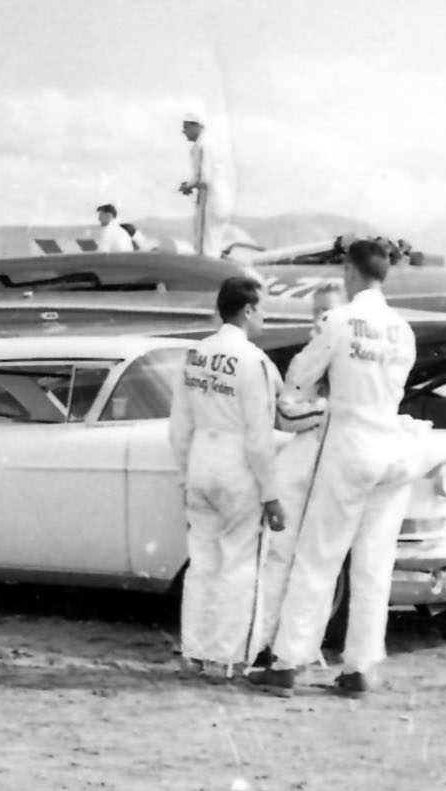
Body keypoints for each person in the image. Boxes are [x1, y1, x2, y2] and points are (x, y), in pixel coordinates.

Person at [249, 239, 418, 699]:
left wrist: (320, 382)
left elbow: (301, 375)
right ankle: (361, 667)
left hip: (351, 447)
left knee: (318, 557)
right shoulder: (404, 329)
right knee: (374, 568)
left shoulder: (339, 321)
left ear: (350, 270)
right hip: (394, 449)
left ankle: (288, 662)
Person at [168, 276, 286, 680]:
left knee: (202, 563)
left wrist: (186, 473)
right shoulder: (254, 362)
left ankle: (195, 651)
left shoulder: (195, 355)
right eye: (263, 308)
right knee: (238, 563)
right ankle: (228, 656)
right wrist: (270, 493)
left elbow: (178, 426)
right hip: (237, 466)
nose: (265, 316)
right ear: (248, 310)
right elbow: (259, 437)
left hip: (201, 457)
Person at [252, 282, 346, 666]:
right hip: (308, 458)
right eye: (314, 311)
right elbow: (288, 412)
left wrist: (321, 412)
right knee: (282, 557)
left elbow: (290, 410)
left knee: (310, 562)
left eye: (326, 310)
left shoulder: (331, 348)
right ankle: (268, 644)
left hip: (324, 459)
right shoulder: (315, 350)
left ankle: (293, 647)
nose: (318, 319)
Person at [177, 112, 233, 258]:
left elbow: (203, 179)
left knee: (204, 248)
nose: (183, 132)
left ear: (195, 126)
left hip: (210, 200)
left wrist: (187, 186)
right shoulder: (213, 144)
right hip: (222, 198)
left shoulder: (202, 145)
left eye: (186, 127)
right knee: (213, 244)